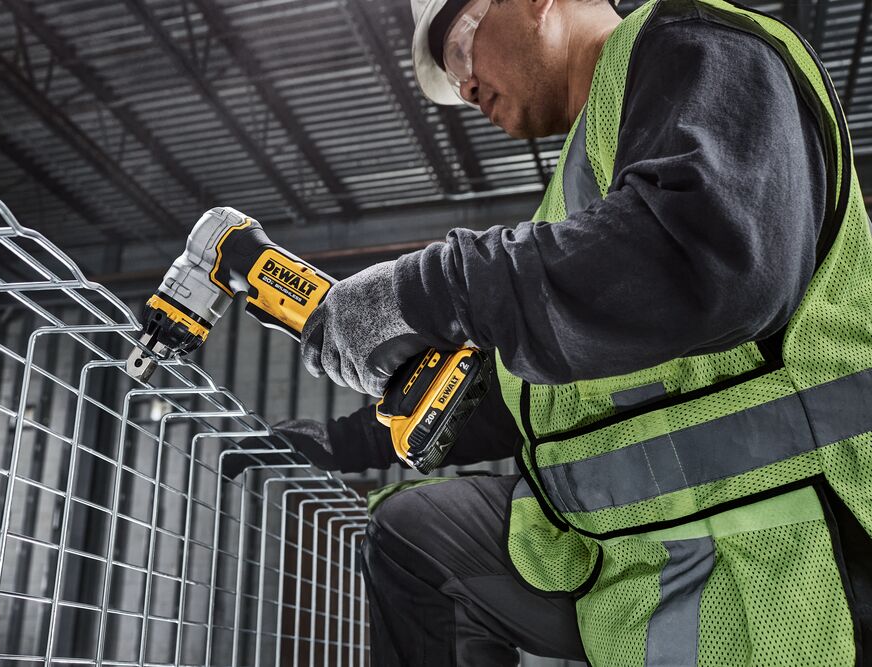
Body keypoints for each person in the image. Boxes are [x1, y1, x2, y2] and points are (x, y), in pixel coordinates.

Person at [289, 0, 872, 664]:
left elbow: (709, 261)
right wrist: (319, 443)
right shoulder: (580, 187)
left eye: (460, 53)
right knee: (414, 533)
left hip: (810, 549)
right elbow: (516, 397)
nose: (466, 87)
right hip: (636, 555)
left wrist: (426, 287)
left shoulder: (701, 44)